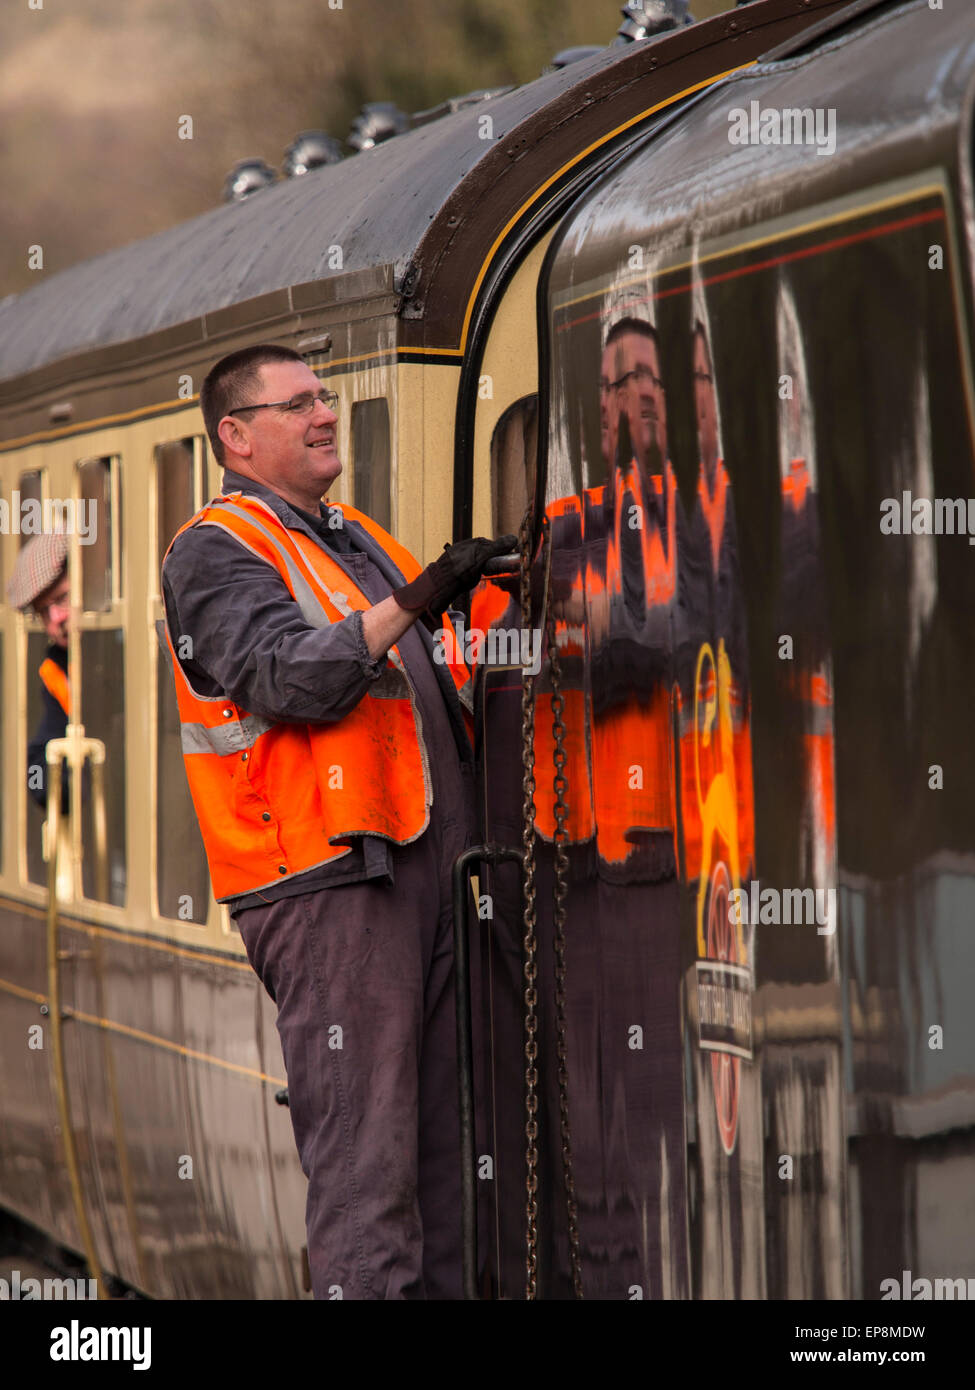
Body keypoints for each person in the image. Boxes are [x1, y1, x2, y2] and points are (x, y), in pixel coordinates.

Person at [160, 343, 514, 1300]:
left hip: (422, 866)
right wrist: (417, 598)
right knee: (367, 1162)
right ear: (235, 437)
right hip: (326, 885)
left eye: (325, 397)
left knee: (441, 1151)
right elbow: (286, 679)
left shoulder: (352, 534)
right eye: (296, 405)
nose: (325, 415)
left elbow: (454, 658)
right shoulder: (213, 549)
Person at [7, 531, 71, 809]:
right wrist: (45, 785)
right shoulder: (55, 670)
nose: (56, 618)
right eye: (44, 611)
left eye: (63, 598)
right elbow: (40, 754)